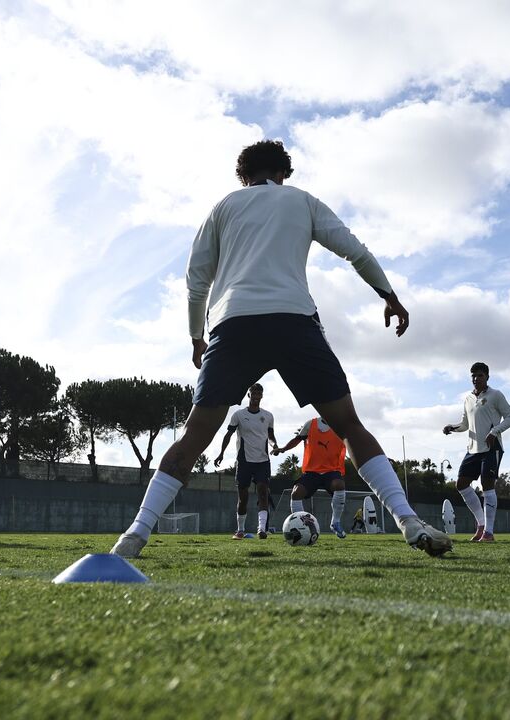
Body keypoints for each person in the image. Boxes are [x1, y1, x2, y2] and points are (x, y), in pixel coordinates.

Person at [110, 140, 450, 558]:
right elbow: (355, 251)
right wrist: (389, 296)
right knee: (349, 426)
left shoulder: (223, 208)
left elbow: (196, 279)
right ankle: (407, 520)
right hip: (293, 321)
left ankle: (135, 535)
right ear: (284, 173)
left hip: (233, 324)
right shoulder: (301, 201)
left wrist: (196, 336)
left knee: (195, 435)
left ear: (243, 175)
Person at [443, 362, 510, 542]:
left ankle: (489, 533)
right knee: (461, 484)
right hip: (472, 449)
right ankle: (481, 524)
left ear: (487, 377)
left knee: (487, 485)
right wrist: (452, 427)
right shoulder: (467, 398)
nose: (476, 379)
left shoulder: (496, 395)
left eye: (480, 375)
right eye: (473, 376)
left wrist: (494, 432)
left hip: (491, 448)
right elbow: (465, 424)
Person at [214, 383, 278, 539]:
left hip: (263, 461)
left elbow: (270, 436)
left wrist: (274, 445)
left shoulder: (268, 416)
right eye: (253, 393)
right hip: (244, 461)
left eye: (259, 393)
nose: (256, 396)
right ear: (248, 395)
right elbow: (228, 435)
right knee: (243, 498)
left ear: (262, 396)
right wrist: (221, 453)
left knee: (263, 492)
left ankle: (262, 529)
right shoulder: (238, 415)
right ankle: (240, 529)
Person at [275, 417, 350, 538]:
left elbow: (353, 442)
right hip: (312, 472)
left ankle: (335, 522)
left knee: (339, 485)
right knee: (296, 493)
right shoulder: (311, 424)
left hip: (331, 471)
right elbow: (297, 439)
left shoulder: (340, 425)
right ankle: (299, 524)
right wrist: (283, 449)